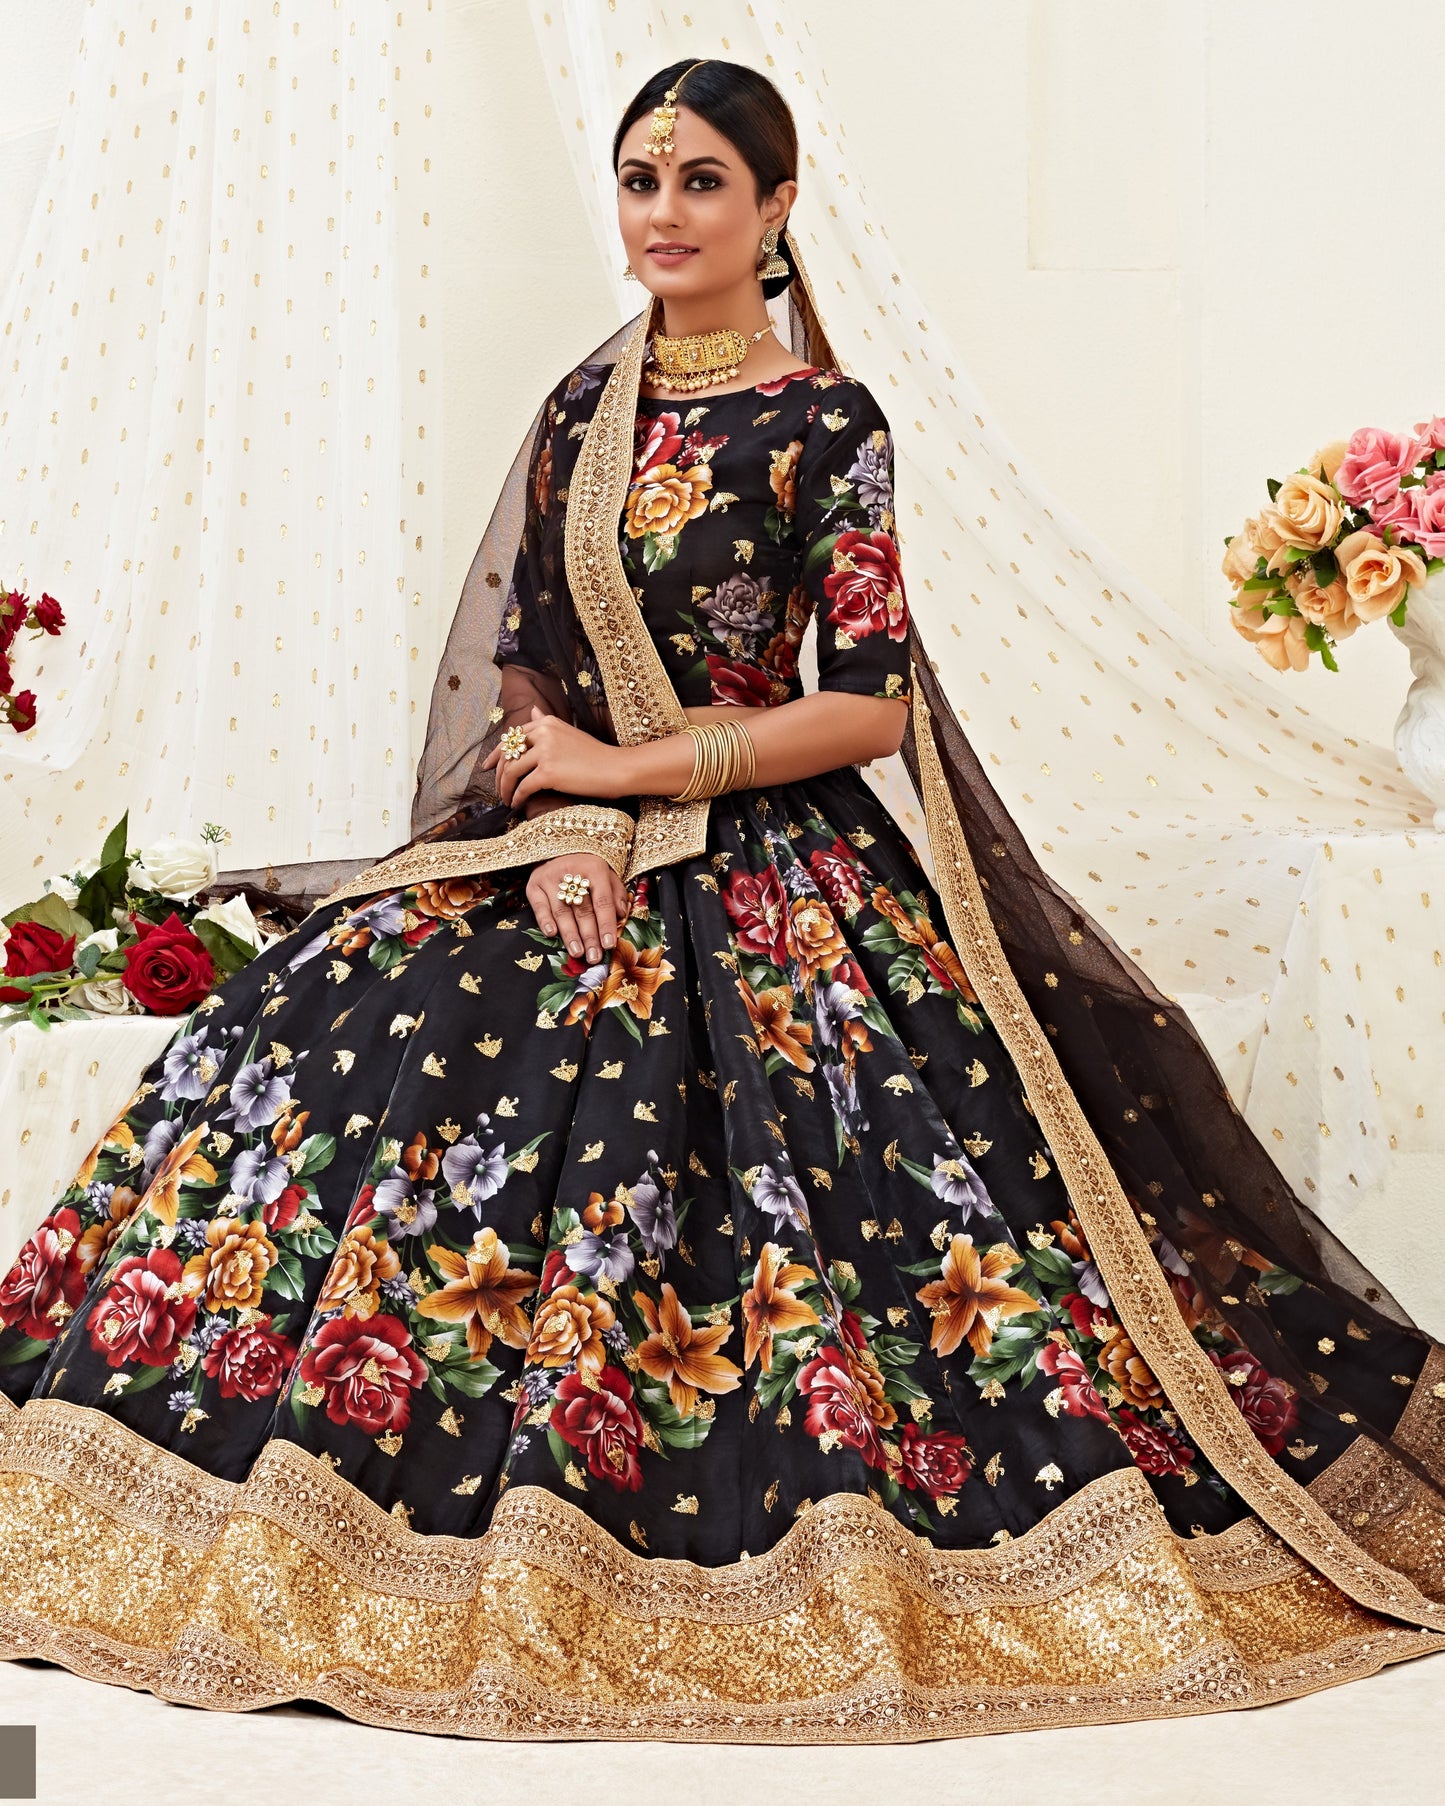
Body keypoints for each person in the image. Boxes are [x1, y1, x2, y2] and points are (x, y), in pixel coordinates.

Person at [0, 55, 1442, 1744]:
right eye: (638, 180)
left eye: (699, 182)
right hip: (555, 844)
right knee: (294, 1047)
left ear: (774, 210)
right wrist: (555, 829)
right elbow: (530, 656)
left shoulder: (826, 421)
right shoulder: (576, 412)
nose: (662, 214)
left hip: (777, 858)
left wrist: (632, 780)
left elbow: (869, 702)